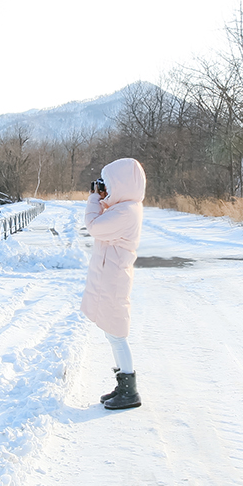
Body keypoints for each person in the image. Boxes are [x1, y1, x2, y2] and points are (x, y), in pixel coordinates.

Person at [82, 157, 146, 410]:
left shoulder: (126, 211)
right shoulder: (125, 207)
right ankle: (123, 386)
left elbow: (94, 227)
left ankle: (129, 391)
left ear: (122, 184)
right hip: (112, 274)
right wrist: (103, 198)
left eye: (109, 183)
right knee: (113, 331)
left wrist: (93, 199)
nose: (104, 188)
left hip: (115, 277)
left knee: (116, 333)